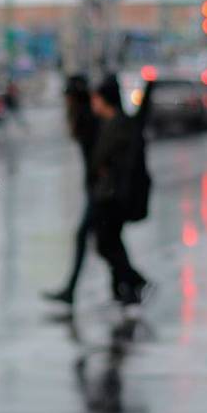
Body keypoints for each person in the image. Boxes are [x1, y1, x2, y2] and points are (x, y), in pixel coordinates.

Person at [90, 74, 150, 307]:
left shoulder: (118, 126)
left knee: (107, 244)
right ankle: (126, 292)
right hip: (112, 195)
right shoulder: (112, 124)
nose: (93, 103)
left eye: (96, 99)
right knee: (112, 243)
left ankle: (136, 282)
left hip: (114, 197)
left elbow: (101, 160)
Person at [44, 73, 102, 305]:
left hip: (100, 190)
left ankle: (133, 284)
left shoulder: (87, 120)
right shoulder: (85, 118)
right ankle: (129, 285)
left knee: (93, 239)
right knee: (106, 242)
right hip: (96, 188)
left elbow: (98, 157)